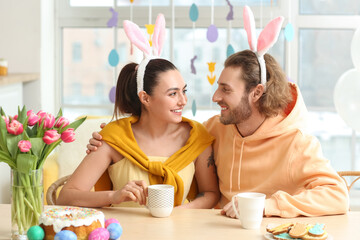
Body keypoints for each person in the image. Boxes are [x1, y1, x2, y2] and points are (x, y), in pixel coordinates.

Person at [85, 7, 349, 217]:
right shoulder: (213, 130)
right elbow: (162, 134)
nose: (215, 97)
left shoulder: (296, 143)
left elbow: (337, 195)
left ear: (256, 93)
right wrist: (109, 139)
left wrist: (268, 206)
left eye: (226, 90)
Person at [57, 14, 220, 209]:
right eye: (173, 94)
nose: (183, 101)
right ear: (145, 98)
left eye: (184, 91)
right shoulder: (114, 138)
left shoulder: (197, 137)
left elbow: (210, 193)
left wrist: (178, 213)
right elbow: (66, 197)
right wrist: (115, 195)